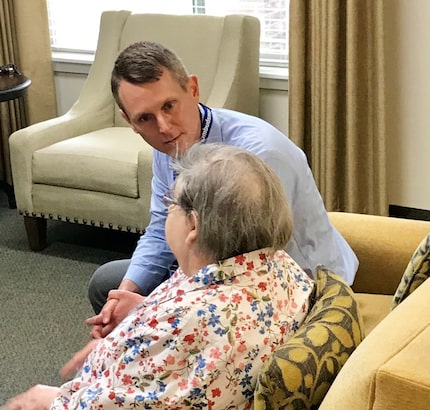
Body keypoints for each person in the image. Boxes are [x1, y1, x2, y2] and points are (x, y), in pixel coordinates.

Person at [6, 143, 315, 410]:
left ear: (193, 226)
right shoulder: (276, 265)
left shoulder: (191, 322)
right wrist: (139, 316)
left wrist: (51, 401)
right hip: (186, 405)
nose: (166, 211)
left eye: (170, 203)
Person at [87, 40, 358, 338]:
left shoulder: (258, 157)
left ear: (192, 89)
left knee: (142, 318)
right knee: (109, 286)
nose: (163, 127)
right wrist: (125, 295)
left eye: (169, 106)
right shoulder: (169, 145)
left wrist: (152, 310)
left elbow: (245, 270)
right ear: (130, 121)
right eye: (145, 118)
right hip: (215, 268)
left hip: (294, 284)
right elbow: (159, 231)